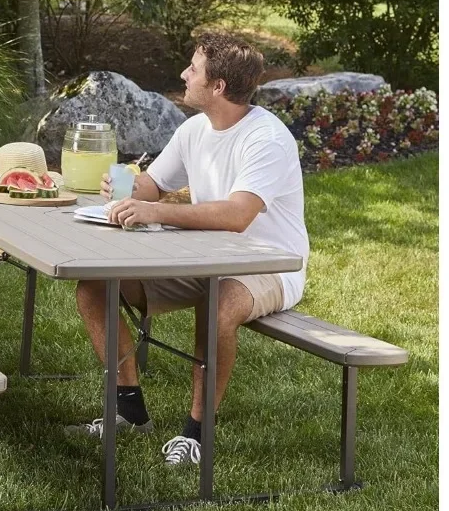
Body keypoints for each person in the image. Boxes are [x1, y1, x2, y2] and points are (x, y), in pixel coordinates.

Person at [65, 31, 309, 466]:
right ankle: (129, 409)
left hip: (270, 265)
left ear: (217, 87)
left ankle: (196, 434)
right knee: (94, 288)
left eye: (192, 68)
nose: (183, 74)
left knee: (219, 304)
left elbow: (238, 214)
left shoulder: (266, 139)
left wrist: (154, 212)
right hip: (206, 258)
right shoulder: (195, 128)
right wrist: (124, 185)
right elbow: (153, 185)